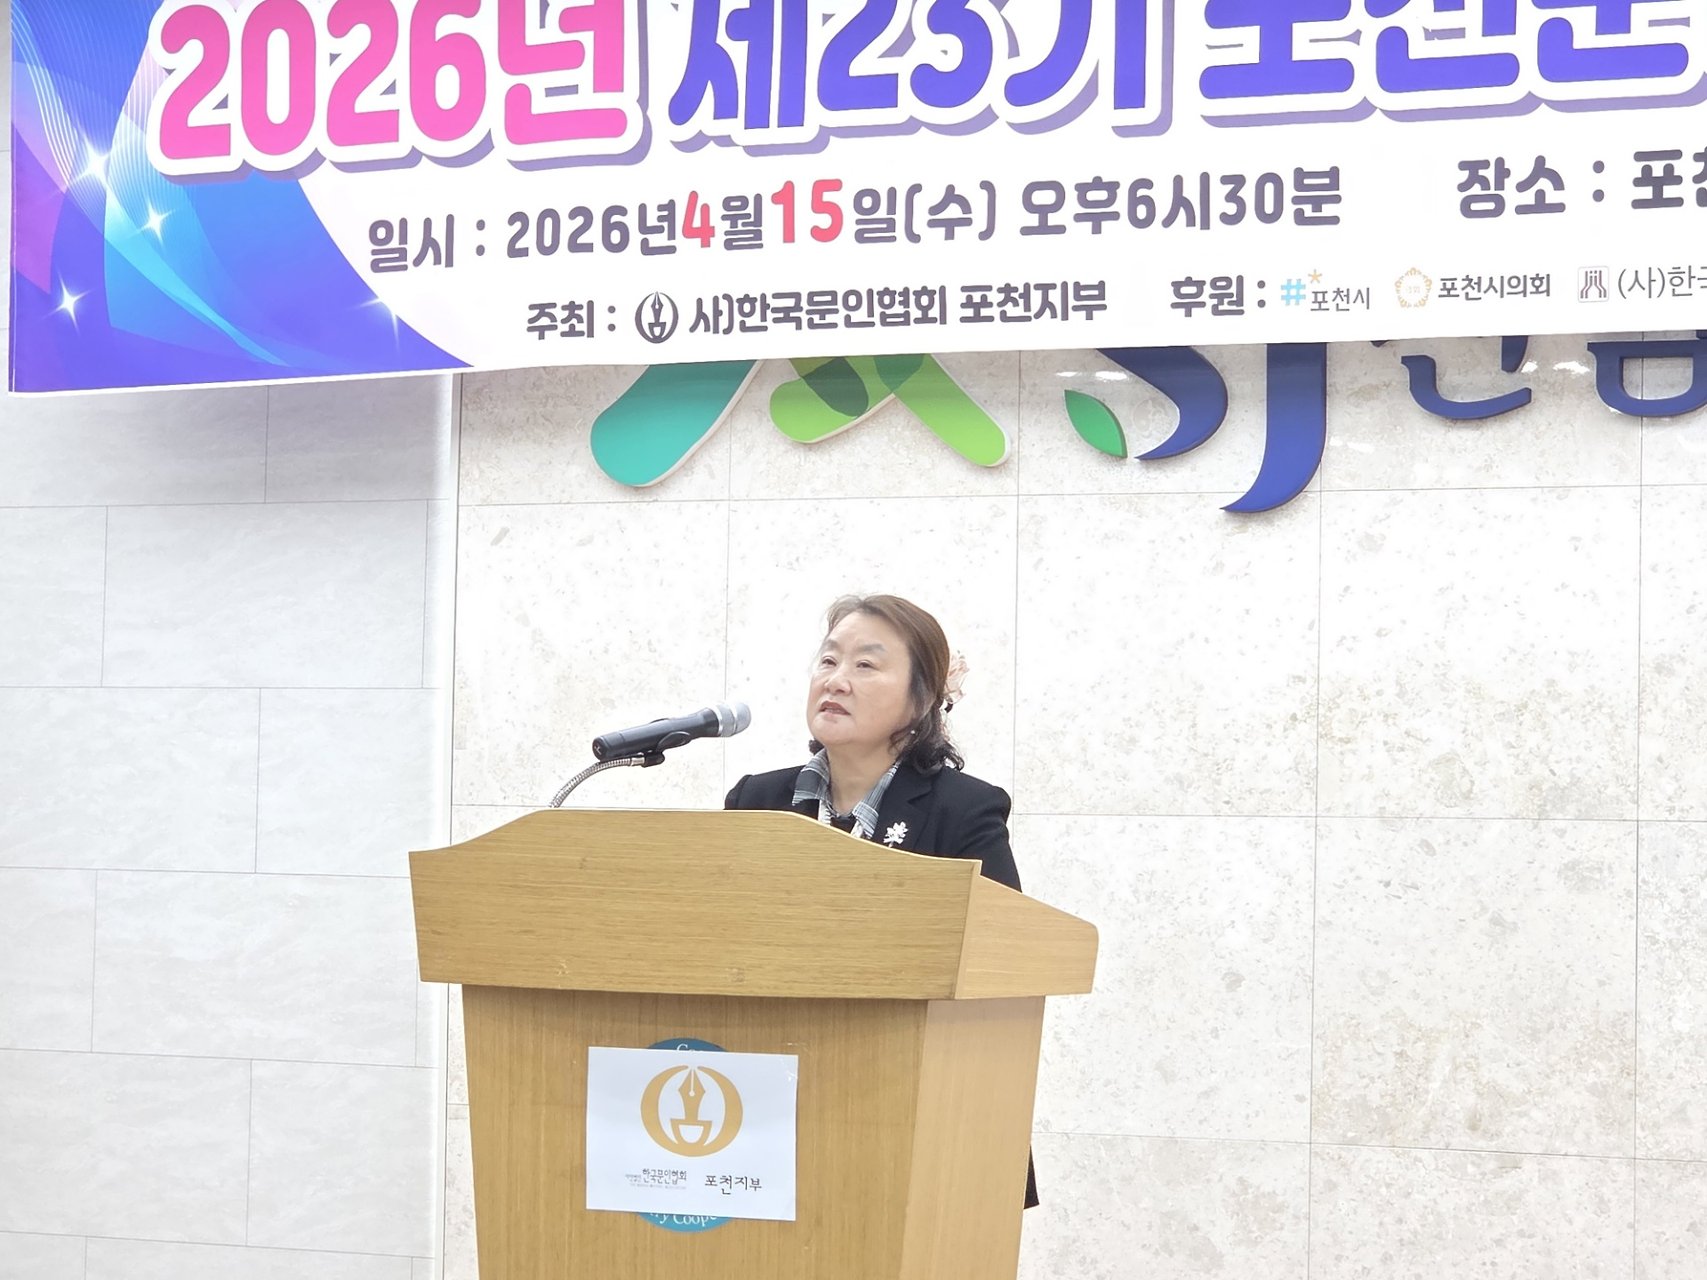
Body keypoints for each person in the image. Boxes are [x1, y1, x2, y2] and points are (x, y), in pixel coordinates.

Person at [724, 593, 1037, 1210]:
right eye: (828, 660)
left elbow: (1005, 959)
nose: (836, 680)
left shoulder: (964, 809)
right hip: (772, 1112)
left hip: (926, 1110)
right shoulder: (755, 801)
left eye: (866, 665)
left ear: (921, 700)